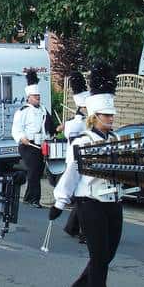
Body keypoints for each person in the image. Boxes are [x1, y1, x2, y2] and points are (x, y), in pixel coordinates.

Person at [49, 61, 124, 287]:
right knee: (99, 256)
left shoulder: (115, 140)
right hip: (90, 203)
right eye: (106, 116)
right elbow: (71, 174)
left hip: (113, 200)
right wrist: (59, 203)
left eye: (112, 115)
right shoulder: (81, 142)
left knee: (108, 253)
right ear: (94, 116)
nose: (111, 119)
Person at [11, 69, 56, 208]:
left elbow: (49, 126)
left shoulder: (43, 109)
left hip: (40, 144)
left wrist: (56, 130)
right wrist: (21, 138)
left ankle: (28, 197)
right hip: (28, 145)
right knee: (33, 170)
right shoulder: (22, 111)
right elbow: (16, 129)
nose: (38, 98)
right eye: (35, 96)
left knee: (37, 171)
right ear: (29, 97)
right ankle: (35, 199)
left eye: (38, 96)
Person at [62, 71, 90, 243]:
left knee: (83, 197)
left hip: (86, 161)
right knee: (83, 198)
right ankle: (84, 233)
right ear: (82, 107)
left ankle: (72, 226)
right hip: (76, 162)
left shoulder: (86, 121)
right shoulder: (74, 124)